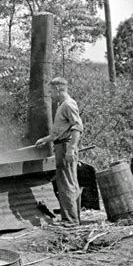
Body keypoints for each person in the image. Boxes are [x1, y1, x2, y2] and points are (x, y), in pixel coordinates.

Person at [35, 77, 84, 227]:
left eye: (51, 91)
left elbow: (78, 127)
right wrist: (45, 139)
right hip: (61, 145)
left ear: (58, 89)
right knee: (70, 182)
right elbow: (59, 133)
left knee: (66, 184)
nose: (50, 95)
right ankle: (74, 218)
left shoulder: (68, 105)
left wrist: (71, 149)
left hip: (65, 147)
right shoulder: (63, 105)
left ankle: (70, 220)